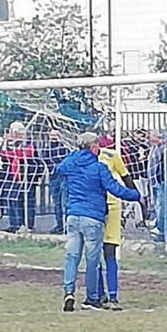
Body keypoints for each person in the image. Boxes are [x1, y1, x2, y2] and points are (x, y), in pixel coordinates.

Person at [56, 131, 141, 312]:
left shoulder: (70, 163)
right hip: (93, 217)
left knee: (72, 257)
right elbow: (115, 188)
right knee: (92, 260)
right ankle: (91, 298)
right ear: (94, 147)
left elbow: (59, 169)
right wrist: (135, 196)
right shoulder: (99, 167)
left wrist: (75, 153)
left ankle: (69, 292)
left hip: (73, 216)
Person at [95, 134, 135, 309]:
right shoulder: (82, 159)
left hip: (111, 208)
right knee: (93, 253)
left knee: (109, 251)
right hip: (93, 209)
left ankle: (113, 296)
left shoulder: (112, 156)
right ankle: (98, 294)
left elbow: (126, 178)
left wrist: (139, 198)